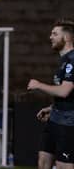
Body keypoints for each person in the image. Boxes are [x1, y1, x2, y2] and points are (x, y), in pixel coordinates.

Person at [27, 18, 74, 169]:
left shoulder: (73, 60)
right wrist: (51, 108)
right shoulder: (63, 60)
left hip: (68, 121)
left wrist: (38, 85)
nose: (50, 37)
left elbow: (65, 91)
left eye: (54, 34)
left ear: (66, 38)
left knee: (63, 166)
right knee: (43, 159)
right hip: (56, 118)